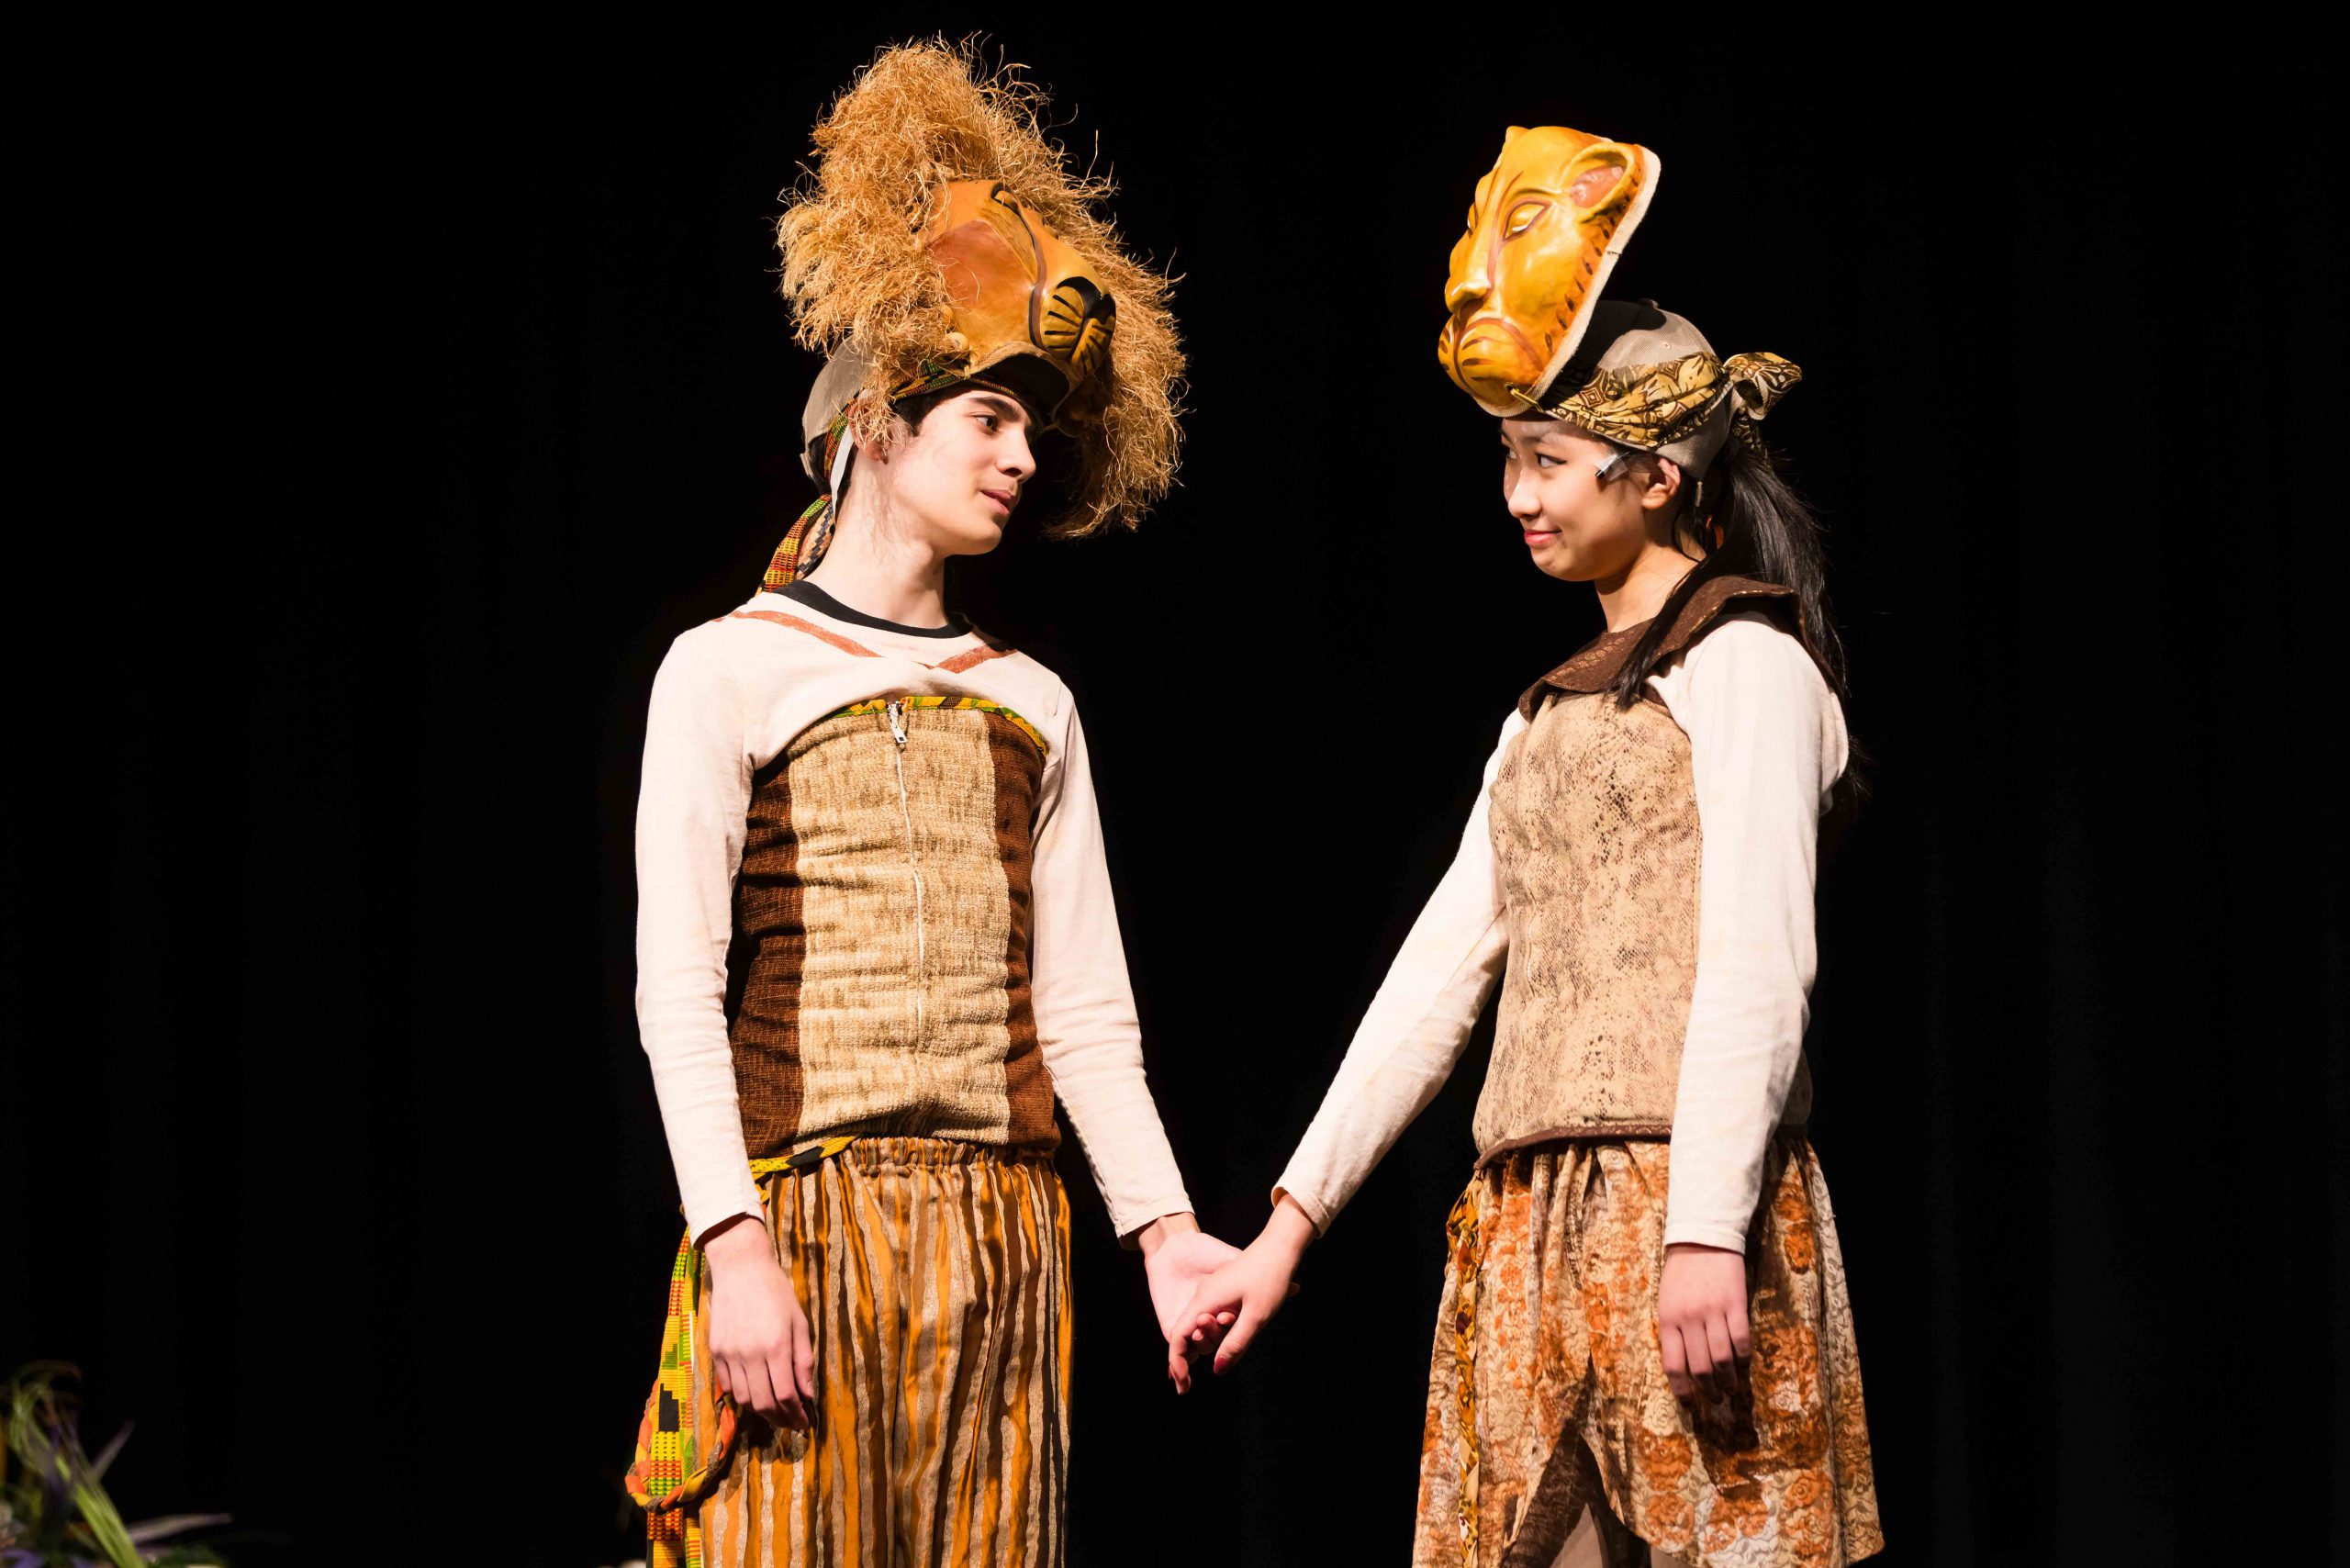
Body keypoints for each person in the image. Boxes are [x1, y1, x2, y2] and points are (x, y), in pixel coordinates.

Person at [1170, 126, 1885, 1567]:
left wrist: (1706, 1228)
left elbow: (1760, 956)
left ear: (1657, 475)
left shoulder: (1748, 668)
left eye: (1549, 461)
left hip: (1686, 1200)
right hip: (1526, 1223)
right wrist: (1288, 1229)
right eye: (1510, 460)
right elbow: (1435, 981)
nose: (1518, 496)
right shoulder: (1543, 715)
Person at [621, 42, 1231, 1568]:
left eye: (1035, 432)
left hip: (1002, 1242)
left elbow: (1083, 1016)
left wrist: (1163, 1235)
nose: (1023, 458)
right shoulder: (729, 668)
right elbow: (677, 991)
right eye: (990, 420)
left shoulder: (1034, 701)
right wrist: (734, 1247)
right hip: (804, 1228)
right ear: (882, 424)